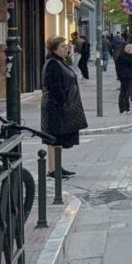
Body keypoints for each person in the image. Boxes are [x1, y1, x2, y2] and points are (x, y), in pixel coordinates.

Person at [41, 36, 86, 179]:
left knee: (59, 138)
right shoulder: (53, 64)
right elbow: (55, 86)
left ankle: (57, 166)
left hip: (61, 105)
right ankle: (52, 169)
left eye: (66, 46)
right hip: (55, 107)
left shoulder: (60, 62)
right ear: (54, 49)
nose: (66, 48)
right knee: (53, 138)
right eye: (62, 46)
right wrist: (63, 101)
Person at [115, 43, 132, 115]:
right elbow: (128, 61)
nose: (129, 49)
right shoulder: (123, 56)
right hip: (126, 76)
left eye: (130, 48)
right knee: (126, 93)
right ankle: (126, 109)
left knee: (123, 92)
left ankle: (123, 109)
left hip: (125, 76)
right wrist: (131, 54)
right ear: (123, 48)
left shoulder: (122, 55)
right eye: (127, 48)